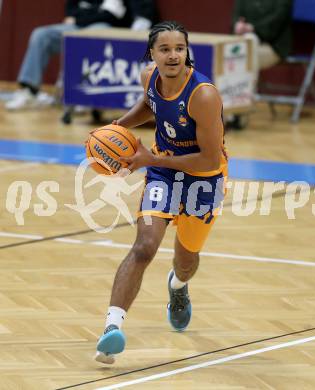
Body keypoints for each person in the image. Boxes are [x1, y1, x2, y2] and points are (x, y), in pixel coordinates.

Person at [93, 20, 228, 364]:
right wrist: (116, 128)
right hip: (162, 174)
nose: (173, 56)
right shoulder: (149, 77)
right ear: (151, 54)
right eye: (165, 49)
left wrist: (150, 157)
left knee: (186, 261)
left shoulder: (204, 95)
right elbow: (149, 105)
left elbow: (209, 158)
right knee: (143, 247)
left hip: (204, 178)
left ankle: (178, 288)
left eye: (179, 49)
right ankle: (111, 328)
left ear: (187, 52)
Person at [5, 0, 157, 111]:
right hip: (77, 26)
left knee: (93, 34)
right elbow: (70, 11)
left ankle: (83, 96)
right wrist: (90, 15)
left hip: (103, 28)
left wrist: (82, 16)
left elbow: (110, 17)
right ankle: (30, 91)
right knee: (41, 35)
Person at [229, 0, 292, 129]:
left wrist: (253, 28)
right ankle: (230, 110)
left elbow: (276, 21)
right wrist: (237, 26)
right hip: (247, 45)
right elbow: (237, 16)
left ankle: (239, 112)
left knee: (245, 57)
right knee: (235, 56)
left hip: (273, 46)